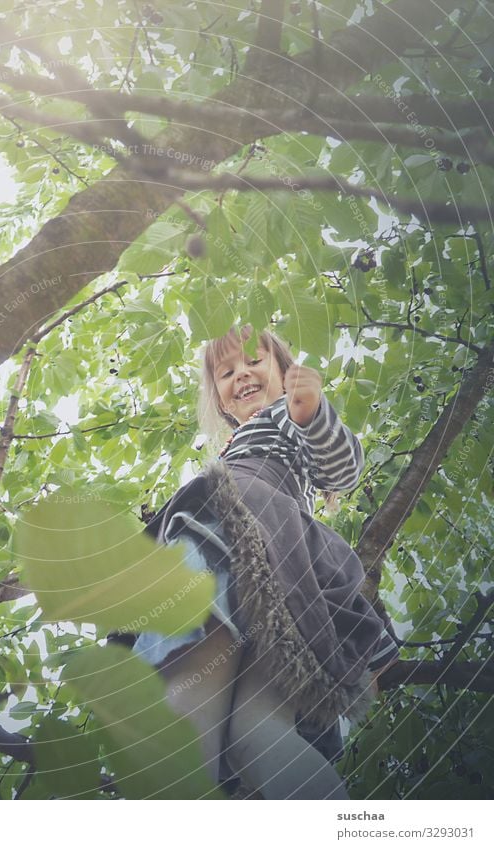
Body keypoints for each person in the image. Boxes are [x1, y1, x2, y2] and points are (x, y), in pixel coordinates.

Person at [132, 324, 399, 799]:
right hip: (285, 577)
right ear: (218, 399)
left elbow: (343, 469)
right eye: (226, 371)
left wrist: (312, 412)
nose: (242, 374)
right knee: (254, 736)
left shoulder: (285, 416)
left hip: (243, 528)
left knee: (186, 701)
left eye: (255, 361)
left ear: (285, 372)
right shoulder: (231, 446)